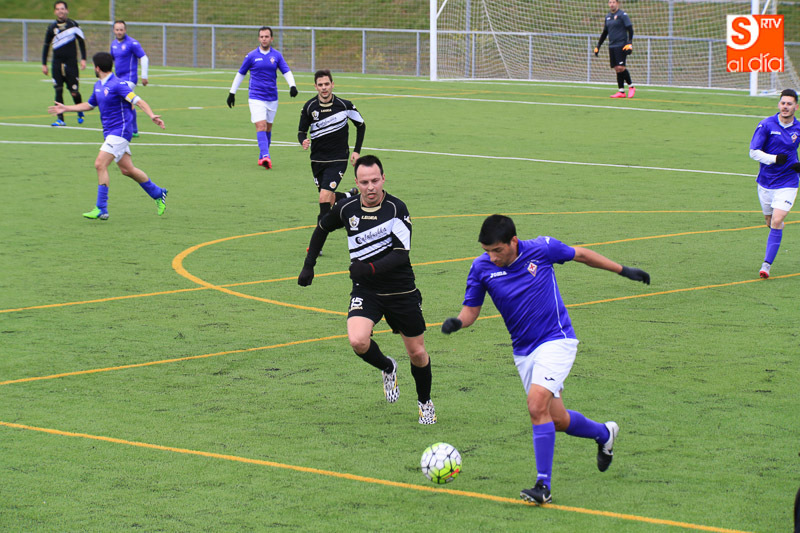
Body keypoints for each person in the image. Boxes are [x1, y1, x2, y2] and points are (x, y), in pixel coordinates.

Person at [441, 214, 650, 504]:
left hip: (556, 340)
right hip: (523, 352)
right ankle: (604, 434)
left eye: (497, 250)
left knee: (536, 404)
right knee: (557, 420)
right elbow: (471, 311)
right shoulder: (481, 268)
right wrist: (458, 323)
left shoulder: (542, 249)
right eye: (487, 251)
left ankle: (543, 486)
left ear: (514, 241)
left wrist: (623, 270)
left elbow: (582, 255)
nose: (492, 257)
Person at [297, 155, 436, 425]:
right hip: (367, 290)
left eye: (374, 180)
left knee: (417, 353)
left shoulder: (396, 209)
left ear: (383, 179)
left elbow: (401, 253)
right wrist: (309, 265)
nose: (370, 187)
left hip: (400, 291)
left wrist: (369, 268)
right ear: (356, 183)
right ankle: (387, 366)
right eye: (364, 182)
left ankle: (424, 402)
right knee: (358, 341)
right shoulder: (347, 208)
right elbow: (322, 227)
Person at [48, 52, 168, 221]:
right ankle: (158, 193)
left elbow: (138, 101)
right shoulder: (98, 85)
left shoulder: (118, 84)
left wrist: (152, 115)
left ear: (97, 67)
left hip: (121, 131)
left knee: (100, 164)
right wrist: (66, 108)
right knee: (127, 170)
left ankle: (101, 208)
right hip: (110, 133)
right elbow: (90, 105)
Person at [297, 69, 365, 240]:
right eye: (320, 85)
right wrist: (303, 141)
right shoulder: (309, 107)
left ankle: (318, 240)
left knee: (323, 197)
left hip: (338, 159)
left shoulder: (344, 105)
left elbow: (361, 125)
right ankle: (349, 197)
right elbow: (301, 131)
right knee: (329, 197)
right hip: (317, 160)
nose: (324, 88)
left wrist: (356, 151)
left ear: (332, 85)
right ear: (315, 87)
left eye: (327, 84)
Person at [227, 26, 298, 170]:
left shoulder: (277, 56)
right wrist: (232, 93)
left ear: (271, 38)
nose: (264, 39)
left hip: (272, 98)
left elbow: (286, 71)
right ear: (258, 38)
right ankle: (266, 156)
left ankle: (262, 156)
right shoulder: (251, 56)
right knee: (261, 126)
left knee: (268, 129)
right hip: (256, 97)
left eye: (266, 36)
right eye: (261, 36)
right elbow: (240, 74)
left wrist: (292, 86)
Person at [748, 88, 800, 279]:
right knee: (770, 222)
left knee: (777, 220)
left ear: (796, 107)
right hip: (766, 182)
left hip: (788, 182)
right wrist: (774, 159)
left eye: (789, 104)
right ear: (779, 104)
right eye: (783, 103)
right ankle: (776, 229)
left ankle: (766, 265)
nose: (785, 107)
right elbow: (753, 152)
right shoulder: (766, 125)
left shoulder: (798, 128)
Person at [42, 1, 87, 126]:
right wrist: (44, 64)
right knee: (58, 90)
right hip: (57, 63)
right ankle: (60, 119)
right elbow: (46, 45)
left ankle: (80, 110)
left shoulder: (73, 25)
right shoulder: (51, 28)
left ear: (66, 10)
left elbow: (81, 42)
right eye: (58, 9)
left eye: (62, 9)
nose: (60, 11)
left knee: (74, 92)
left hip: (71, 63)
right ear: (55, 12)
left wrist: (83, 59)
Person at [110, 20, 149, 138]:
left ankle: (130, 128)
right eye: (117, 29)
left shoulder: (132, 43)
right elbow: (111, 60)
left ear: (125, 30)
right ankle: (133, 129)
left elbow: (144, 58)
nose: (119, 32)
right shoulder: (113, 44)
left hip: (130, 78)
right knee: (126, 102)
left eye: (121, 30)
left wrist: (144, 76)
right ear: (114, 30)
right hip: (119, 78)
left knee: (125, 99)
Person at [594, 0, 635, 99]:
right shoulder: (607, 17)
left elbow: (630, 29)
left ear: (617, 3)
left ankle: (631, 86)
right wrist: (598, 46)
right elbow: (605, 33)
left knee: (621, 67)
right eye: (610, 2)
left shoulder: (622, 15)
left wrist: (629, 43)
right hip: (612, 45)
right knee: (617, 68)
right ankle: (621, 91)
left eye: (613, 2)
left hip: (621, 45)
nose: (611, 4)